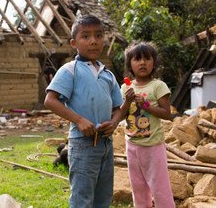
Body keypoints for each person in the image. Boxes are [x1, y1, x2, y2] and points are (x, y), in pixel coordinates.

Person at [44, 14, 123, 208]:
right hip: (82, 144)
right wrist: (79, 120)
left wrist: (113, 123)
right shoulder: (70, 70)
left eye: (98, 35)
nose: (93, 41)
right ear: (74, 43)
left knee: (103, 197)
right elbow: (50, 100)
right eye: (86, 36)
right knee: (82, 199)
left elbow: (118, 108)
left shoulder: (108, 74)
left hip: (106, 144)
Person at [120, 41, 175, 208]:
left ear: (154, 63)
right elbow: (121, 114)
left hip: (153, 146)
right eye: (137, 59)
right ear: (130, 64)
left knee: (160, 187)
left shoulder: (158, 86)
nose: (142, 63)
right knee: (138, 187)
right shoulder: (125, 88)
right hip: (132, 145)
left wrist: (146, 106)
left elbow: (167, 114)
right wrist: (127, 101)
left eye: (147, 59)